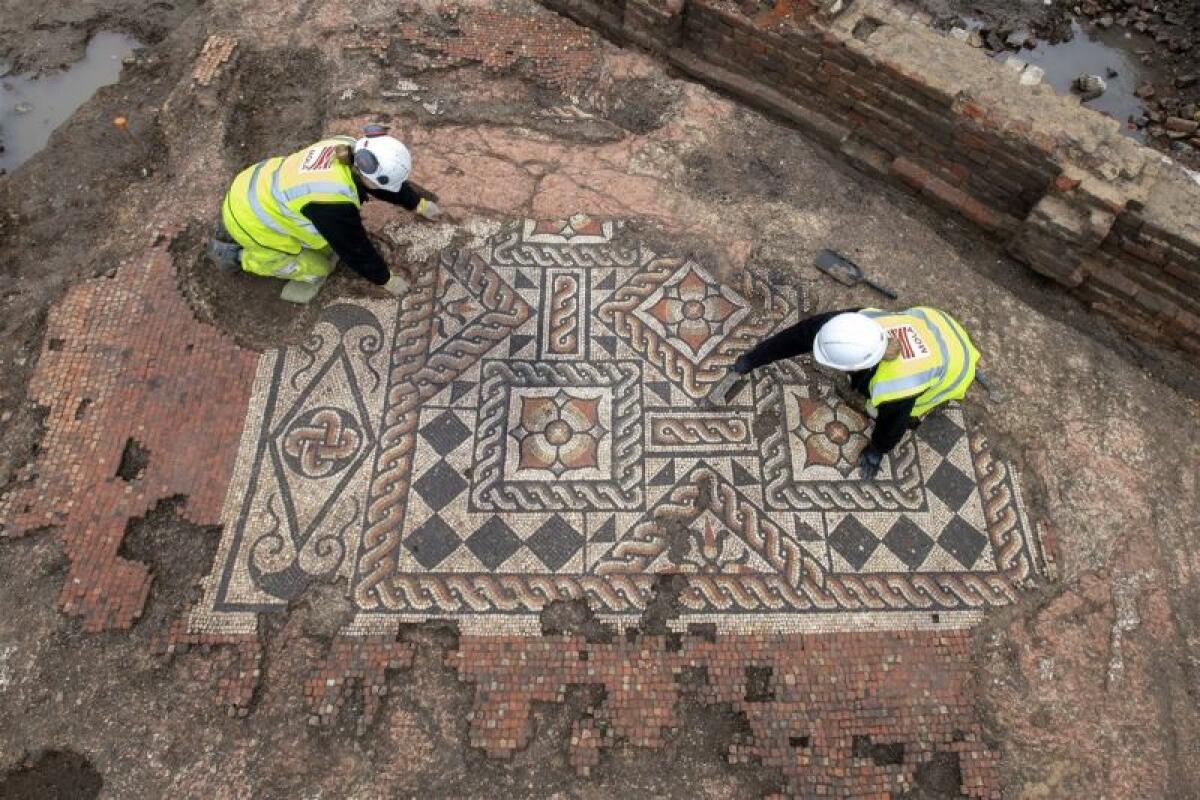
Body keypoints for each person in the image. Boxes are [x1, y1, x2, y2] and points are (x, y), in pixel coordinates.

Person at [709, 307, 980, 480]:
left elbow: (892, 427)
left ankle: (926, 406)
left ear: (859, 366)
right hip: (936, 321)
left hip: (958, 365)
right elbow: (801, 335)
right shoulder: (855, 325)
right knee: (873, 396)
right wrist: (752, 360)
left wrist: (877, 450)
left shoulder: (897, 386)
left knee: (886, 411)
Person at [207, 123, 442, 303]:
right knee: (318, 269)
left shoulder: (348, 146)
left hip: (252, 185)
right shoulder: (332, 205)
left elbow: (378, 182)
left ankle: (234, 226)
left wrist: (418, 204)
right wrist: (385, 280)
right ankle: (236, 256)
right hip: (253, 222)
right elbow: (356, 250)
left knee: (322, 243)